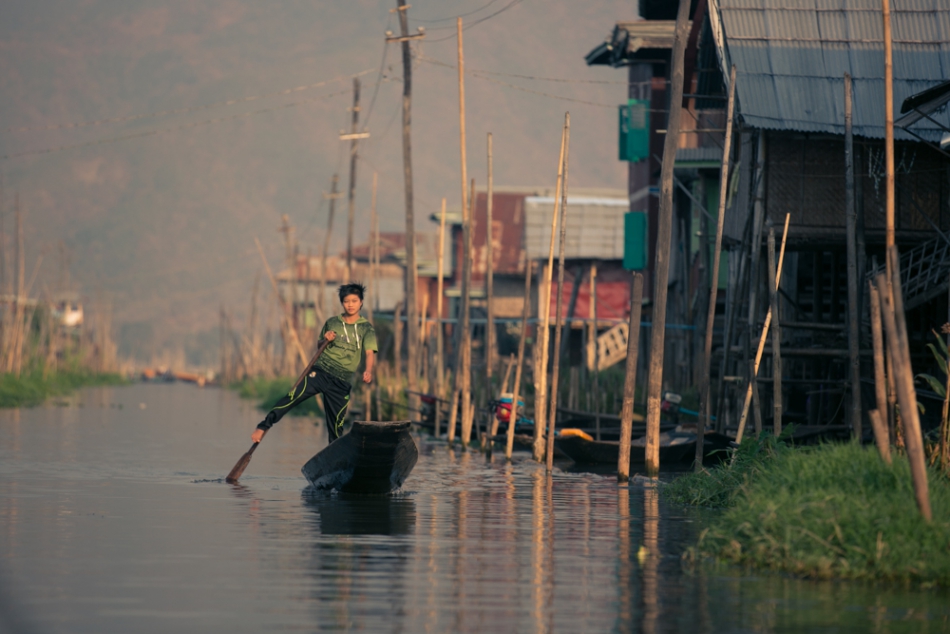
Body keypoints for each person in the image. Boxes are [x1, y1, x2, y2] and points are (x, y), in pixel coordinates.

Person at [251, 283, 377, 444]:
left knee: (336, 426)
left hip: (342, 382)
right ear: (342, 303)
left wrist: (368, 370)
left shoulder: (366, 328)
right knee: (292, 397)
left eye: (354, 301)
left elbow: (369, 352)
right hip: (320, 372)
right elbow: (319, 345)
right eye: (346, 301)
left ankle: (334, 459)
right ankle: (263, 426)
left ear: (361, 302)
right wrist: (326, 338)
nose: (350, 304)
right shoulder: (332, 322)